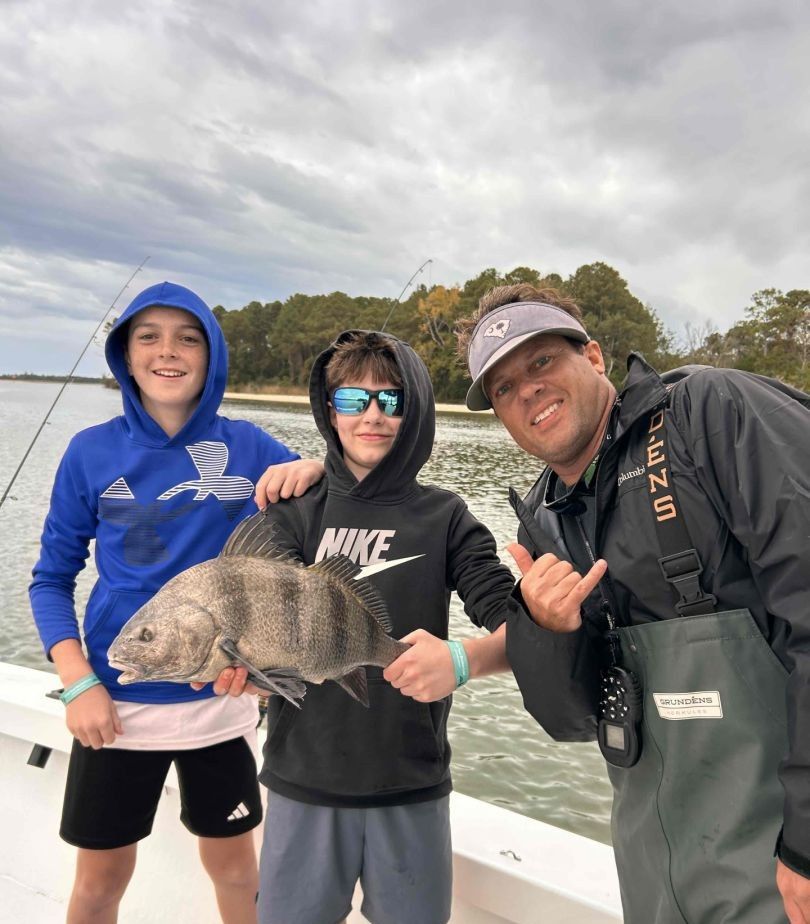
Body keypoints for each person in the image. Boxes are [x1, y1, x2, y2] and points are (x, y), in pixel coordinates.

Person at [455, 282, 810, 924]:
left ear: (592, 357)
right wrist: (547, 631)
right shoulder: (542, 522)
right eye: (503, 388)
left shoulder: (709, 413)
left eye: (540, 362)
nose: (526, 389)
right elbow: (568, 721)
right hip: (656, 875)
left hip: (785, 864)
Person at [29, 281, 324, 924]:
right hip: (115, 706)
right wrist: (78, 682)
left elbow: (325, 488)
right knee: (100, 878)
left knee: (236, 868)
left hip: (220, 701)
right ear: (125, 355)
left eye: (188, 337)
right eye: (149, 337)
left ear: (212, 354)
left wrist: (315, 466)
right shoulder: (90, 453)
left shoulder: (250, 445)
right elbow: (50, 579)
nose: (169, 351)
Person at [215, 329, 515, 924]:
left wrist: (463, 660)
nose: (372, 416)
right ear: (331, 412)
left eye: (391, 400)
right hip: (302, 780)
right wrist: (249, 673)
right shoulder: (293, 511)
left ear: (417, 409)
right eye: (353, 400)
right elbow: (252, 620)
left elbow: (517, 626)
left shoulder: (447, 517)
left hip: (411, 782)